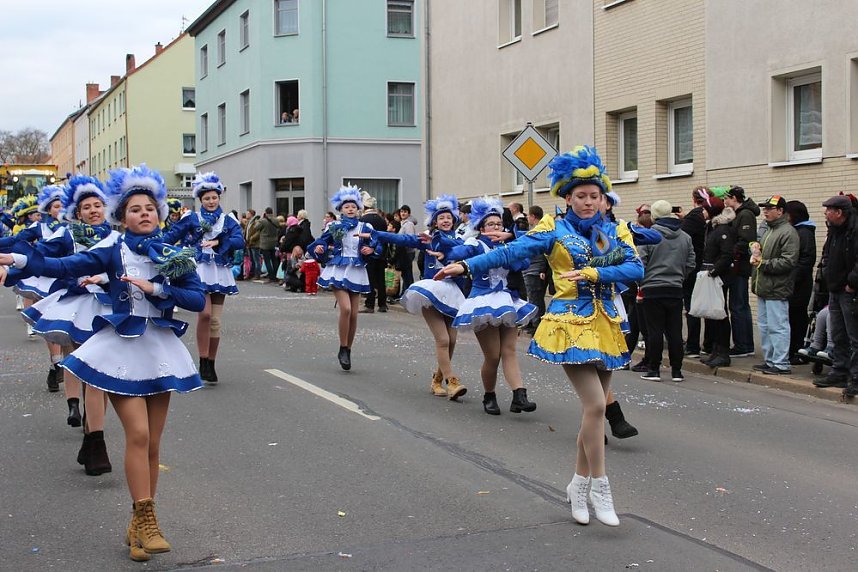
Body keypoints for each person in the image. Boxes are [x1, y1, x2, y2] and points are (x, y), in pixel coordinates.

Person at [0, 164, 206, 562]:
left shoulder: (173, 254)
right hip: (120, 349)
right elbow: (64, 267)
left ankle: (136, 522)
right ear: (121, 216)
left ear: (160, 213)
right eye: (134, 209)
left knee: (154, 443)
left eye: (150, 207)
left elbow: (196, 299)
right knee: (139, 435)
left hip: (160, 349)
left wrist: (157, 287)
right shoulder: (113, 249)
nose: (144, 213)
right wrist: (21, 261)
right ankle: (149, 520)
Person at [437, 147, 641, 527]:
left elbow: (634, 269)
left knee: (592, 413)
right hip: (568, 325)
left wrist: (595, 275)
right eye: (580, 196)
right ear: (567, 197)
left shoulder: (615, 231)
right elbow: (510, 250)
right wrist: (465, 264)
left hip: (608, 326)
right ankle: (601, 485)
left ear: (603, 199)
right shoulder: (552, 229)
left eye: (594, 196)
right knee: (596, 406)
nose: (588, 202)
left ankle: (577, 485)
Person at [19, 176, 116, 475]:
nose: (93, 210)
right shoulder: (66, 234)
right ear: (77, 212)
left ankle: (91, 436)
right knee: (83, 367)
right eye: (86, 207)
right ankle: (93, 437)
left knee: (100, 375)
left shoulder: (115, 236)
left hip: (110, 307)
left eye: (98, 205)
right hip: (78, 306)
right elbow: (42, 257)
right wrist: (13, 260)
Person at [360, 195, 469, 399]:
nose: (445, 220)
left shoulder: (461, 240)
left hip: (454, 294)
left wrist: (437, 240)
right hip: (431, 291)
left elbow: (455, 249)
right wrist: (378, 234)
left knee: (452, 340)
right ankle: (452, 381)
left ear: (454, 220)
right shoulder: (427, 237)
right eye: (441, 218)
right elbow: (402, 239)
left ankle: (437, 379)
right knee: (443, 339)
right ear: (434, 221)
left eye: (448, 217)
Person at [442, 196, 537, 414]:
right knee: (493, 355)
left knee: (509, 350)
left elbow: (523, 260)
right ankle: (489, 394)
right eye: (490, 224)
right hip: (482, 301)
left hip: (506, 300)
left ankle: (519, 395)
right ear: (481, 227)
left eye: (498, 224)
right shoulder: (475, 244)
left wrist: (509, 243)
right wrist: (461, 246)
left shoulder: (508, 247)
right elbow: (457, 254)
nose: (495, 227)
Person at [162, 172, 245, 384]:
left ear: (219, 198)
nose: (211, 201)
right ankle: (202, 358)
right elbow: (171, 236)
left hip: (219, 270)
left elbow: (238, 240)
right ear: (201, 200)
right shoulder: (192, 218)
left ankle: (210, 363)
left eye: (214, 197)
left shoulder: (228, 220)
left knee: (215, 320)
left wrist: (218, 242)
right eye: (206, 198)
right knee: (205, 314)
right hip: (198, 269)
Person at [1, 185, 71, 386]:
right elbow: (15, 241)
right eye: (56, 206)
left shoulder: (75, 229)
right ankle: (56, 362)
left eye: (63, 206)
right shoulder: (40, 227)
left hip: (67, 278)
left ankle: (62, 367)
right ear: (49, 210)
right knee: (50, 319)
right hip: (44, 276)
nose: (60, 210)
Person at [308, 185, 381, 370]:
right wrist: (320, 248)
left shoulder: (366, 227)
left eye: (353, 206)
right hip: (338, 269)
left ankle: (348, 349)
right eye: (346, 206)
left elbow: (377, 246)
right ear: (340, 209)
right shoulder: (334, 226)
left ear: (359, 209)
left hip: (357, 270)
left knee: (355, 314)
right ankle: (342, 347)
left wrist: (370, 249)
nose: (350, 209)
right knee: (346, 309)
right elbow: (321, 242)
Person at [637, 200, 696, 382]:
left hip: (653, 288)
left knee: (654, 330)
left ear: (654, 216)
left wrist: (643, 281)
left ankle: (654, 369)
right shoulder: (685, 237)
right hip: (675, 288)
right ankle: (676, 371)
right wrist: (679, 277)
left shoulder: (648, 236)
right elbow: (691, 262)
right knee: (675, 331)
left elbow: (640, 262)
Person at [813, 195, 858, 395]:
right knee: (838, 333)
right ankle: (839, 370)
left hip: (850, 291)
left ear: (839, 212)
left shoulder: (854, 230)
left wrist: (852, 283)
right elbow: (828, 255)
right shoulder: (834, 231)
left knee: (854, 335)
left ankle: (855, 377)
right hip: (835, 289)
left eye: (828, 209)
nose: (825, 213)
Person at [750, 196, 799, 375]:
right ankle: (770, 360)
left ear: (780, 211)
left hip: (777, 287)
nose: (766, 211)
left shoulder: (787, 232)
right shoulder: (769, 230)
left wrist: (763, 263)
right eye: (765, 208)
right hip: (764, 286)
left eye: (770, 208)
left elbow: (788, 261)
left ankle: (781, 362)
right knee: (765, 325)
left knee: (778, 326)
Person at [699, 198, 736, 368]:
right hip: (711, 275)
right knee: (713, 315)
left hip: (718, 277)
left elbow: (727, 254)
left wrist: (714, 271)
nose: (702, 211)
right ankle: (715, 350)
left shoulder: (722, 230)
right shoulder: (712, 227)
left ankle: (723, 351)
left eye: (705, 209)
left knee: (720, 313)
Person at [723, 186, 760, 357]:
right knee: (738, 305)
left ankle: (743, 345)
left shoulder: (745, 215)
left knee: (738, 306)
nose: (725, 202)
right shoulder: (741, 215)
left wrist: (729, 251)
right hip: (737, 266)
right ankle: (742, 343)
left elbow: (745, 240)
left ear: (735, 198)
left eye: (727, 198)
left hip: (739, 267)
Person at [785, 200, 817, 365]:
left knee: (796, 318)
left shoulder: (804, 233)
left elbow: (806, 260)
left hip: (799, 285)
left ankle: (797, 350)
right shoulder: (798, 231)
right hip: (796, 283)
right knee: (793, 318)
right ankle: (793, 350)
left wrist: (792, 279)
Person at [681, 187, 710, 358]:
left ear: (694, 199)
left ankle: (692, 345)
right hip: (705, 266)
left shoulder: (694, 216)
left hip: (693, 268)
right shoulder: (707, 216)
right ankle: (708, 343)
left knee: (691, 307)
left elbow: (683, 236)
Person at [359, 193, 389, 313]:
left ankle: (370, 304)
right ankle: (382, 304)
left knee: (370, 279)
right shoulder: (382, 220)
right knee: (381, 279)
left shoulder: (362, 220)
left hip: (368, 253)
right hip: (381, 253)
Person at [522, 205, 548, 335]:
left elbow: (543, 253)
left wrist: (542, 269)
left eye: (528, 216)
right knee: (532, 298)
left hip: (534, 270)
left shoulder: (539, 232)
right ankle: (533, 323)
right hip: (531, 269)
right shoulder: (535, 230)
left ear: (533, 217)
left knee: (535, 298)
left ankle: (538, 326)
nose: (527, 218)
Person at [397, 204, 417, 296]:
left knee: (407, 274)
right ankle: (405, 293)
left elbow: (410, 239)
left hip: (407, 252)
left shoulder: (408, 224)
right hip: (403, 252)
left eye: (405, 212)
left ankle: (408, 293)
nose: (403, 213)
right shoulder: (403, 223)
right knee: (405, 274)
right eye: (401, 211)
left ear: (409, 213)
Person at [256, 207, 280, 282]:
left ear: (265, 213)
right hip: (273, 242)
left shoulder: (263, 221)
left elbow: (256, 227)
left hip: (265, 243)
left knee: (267, 261)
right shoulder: (276, 220)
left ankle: (271, 276)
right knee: (274, 259)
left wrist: (260, 219)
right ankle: (276, 275)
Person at [244, 209, 261, 279]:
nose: (246, 215)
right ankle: (252, 273)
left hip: (255, 243)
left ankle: (257, 274)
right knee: (252, 260)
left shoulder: (256, 221)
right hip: (249, 244)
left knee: (256, 260)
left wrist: (252, 238)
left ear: (251, 214)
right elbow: (247, 231)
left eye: (248, 213)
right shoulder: (249, 222)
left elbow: (258, 232)